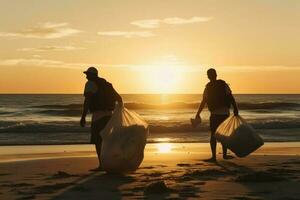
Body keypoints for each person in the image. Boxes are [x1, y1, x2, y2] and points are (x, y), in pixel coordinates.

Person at [80, 66, 122, 171]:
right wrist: (119, 114)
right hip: (109, 116)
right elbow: (119, 98)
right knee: (107, 140)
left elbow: (87, 101)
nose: (86, 77)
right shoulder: (107, 85)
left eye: (87, 74)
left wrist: (83, 117)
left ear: (92, 75)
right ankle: (110, 162)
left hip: (98, 116)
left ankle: (102, 165)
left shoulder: (90, 84)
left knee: (98, 141)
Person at [195, 68, 239, 162]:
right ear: (216, 75)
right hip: (225, 113)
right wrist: (235, 108)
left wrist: (198, 113)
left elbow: (203, 102)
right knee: (224, 135)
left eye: (208, 75)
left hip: (215, 114)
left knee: (213, 135)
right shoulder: (223, 85)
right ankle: (224, 155)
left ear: (208, 76)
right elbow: (231, 97)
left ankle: (214, 157)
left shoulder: (208, 87)